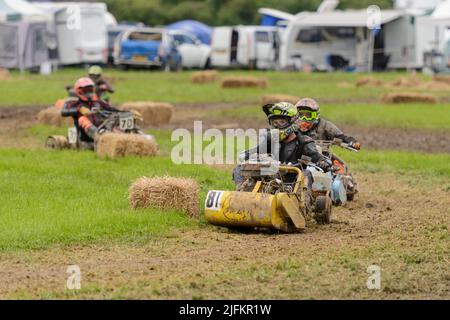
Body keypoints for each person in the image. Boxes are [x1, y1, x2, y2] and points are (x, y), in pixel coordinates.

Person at [233, 102, 331, 212]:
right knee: (239, 168)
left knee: (306, 174)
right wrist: (247, 155)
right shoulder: (270, 140)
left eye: (282, 122)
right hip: (271, 176)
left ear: (293, 122)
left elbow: (316, 156)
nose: (277, 126)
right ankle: (241, 197)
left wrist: (322, 162)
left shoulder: (304, 141)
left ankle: (300, 206)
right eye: (275, 122)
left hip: (292, 179)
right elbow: (256, 150)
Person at [61, 77, 120, 150]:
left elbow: (112, 109)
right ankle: (102, 139)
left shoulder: (97, 102)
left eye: (90, 90)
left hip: (100, 129)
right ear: (79, 91)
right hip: (83, 140)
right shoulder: (74, 103)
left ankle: (117, 138)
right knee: (82, 119)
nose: (88, 92)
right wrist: (79, 109)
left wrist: (128, 112)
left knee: (112, 117)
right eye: (85, 90)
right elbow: (63, 112)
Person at [295, 98, 361, 150]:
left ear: (316, 116)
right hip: (296, 158)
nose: (304, 119)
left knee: (339, 165)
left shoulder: (324, 125)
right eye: (301, 115)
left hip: (321, 158)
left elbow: (341, 137)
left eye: (308, 115)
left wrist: (353, 142)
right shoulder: (292, 127)